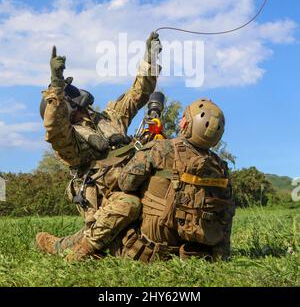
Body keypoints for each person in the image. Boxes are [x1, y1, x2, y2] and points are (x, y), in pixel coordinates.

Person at [36, 32, 161, 261]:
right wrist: (55, 88)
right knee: (129, 205)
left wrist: (150, 59)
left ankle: (61, 243)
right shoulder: (70, 141)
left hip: (134, 180)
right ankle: (79, 251)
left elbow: (138, 94)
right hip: (109, 199)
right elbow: (55, 128)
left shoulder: (110, 117)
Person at [118, 99, 235, 262]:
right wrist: (222, 257)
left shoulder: (159, 148)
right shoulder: (221, 168)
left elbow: (125, 183)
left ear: (186, 123)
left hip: (149, 251)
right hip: (197, 256)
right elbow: (227, 214)